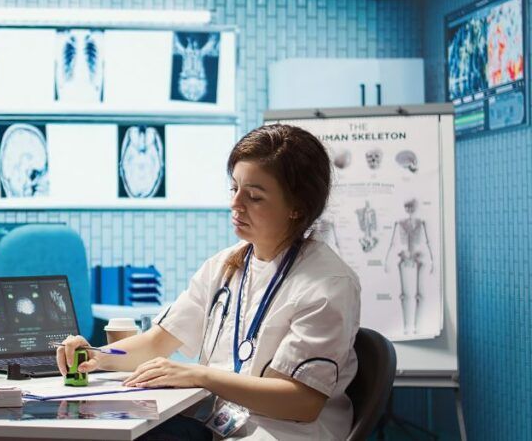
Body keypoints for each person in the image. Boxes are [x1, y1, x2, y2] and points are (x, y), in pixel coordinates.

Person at [57, 124, 361, 440]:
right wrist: (96, 356)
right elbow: (157, 342)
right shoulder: (224, 266)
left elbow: (303, 402)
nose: (236, 204)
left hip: (284, 433)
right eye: (234, 189)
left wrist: (199, 375)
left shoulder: (328, 284)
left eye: (254, 196)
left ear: (297, 207)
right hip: (222, 426)